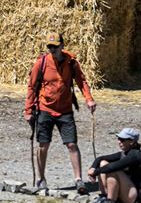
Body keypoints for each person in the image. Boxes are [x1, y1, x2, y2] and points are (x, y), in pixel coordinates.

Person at [24, 32, 96, 192]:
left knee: (72, 144)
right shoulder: (41, 63)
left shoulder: (72, 63)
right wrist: (28, 110)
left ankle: (78, 180)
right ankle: (41, 179)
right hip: (45, 109)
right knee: (43, 145)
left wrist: (89, 99)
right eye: (50, 46)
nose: (52, 49)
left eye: (55, 46)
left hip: (65, 110)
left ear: (62, 46)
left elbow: (82, 81)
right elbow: (32, 87)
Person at [87, 128, 141, 203]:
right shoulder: (125, 153)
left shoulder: (135, 155)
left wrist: (95, 172)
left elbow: (113, 167)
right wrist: (93, 168)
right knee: (103, 163)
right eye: (118, 139)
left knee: (113, 171)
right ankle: (104, 198)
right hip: (127, 192)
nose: (119, 142)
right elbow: (100, 158)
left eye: (122, 140)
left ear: (132, 142)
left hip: (135, 198)